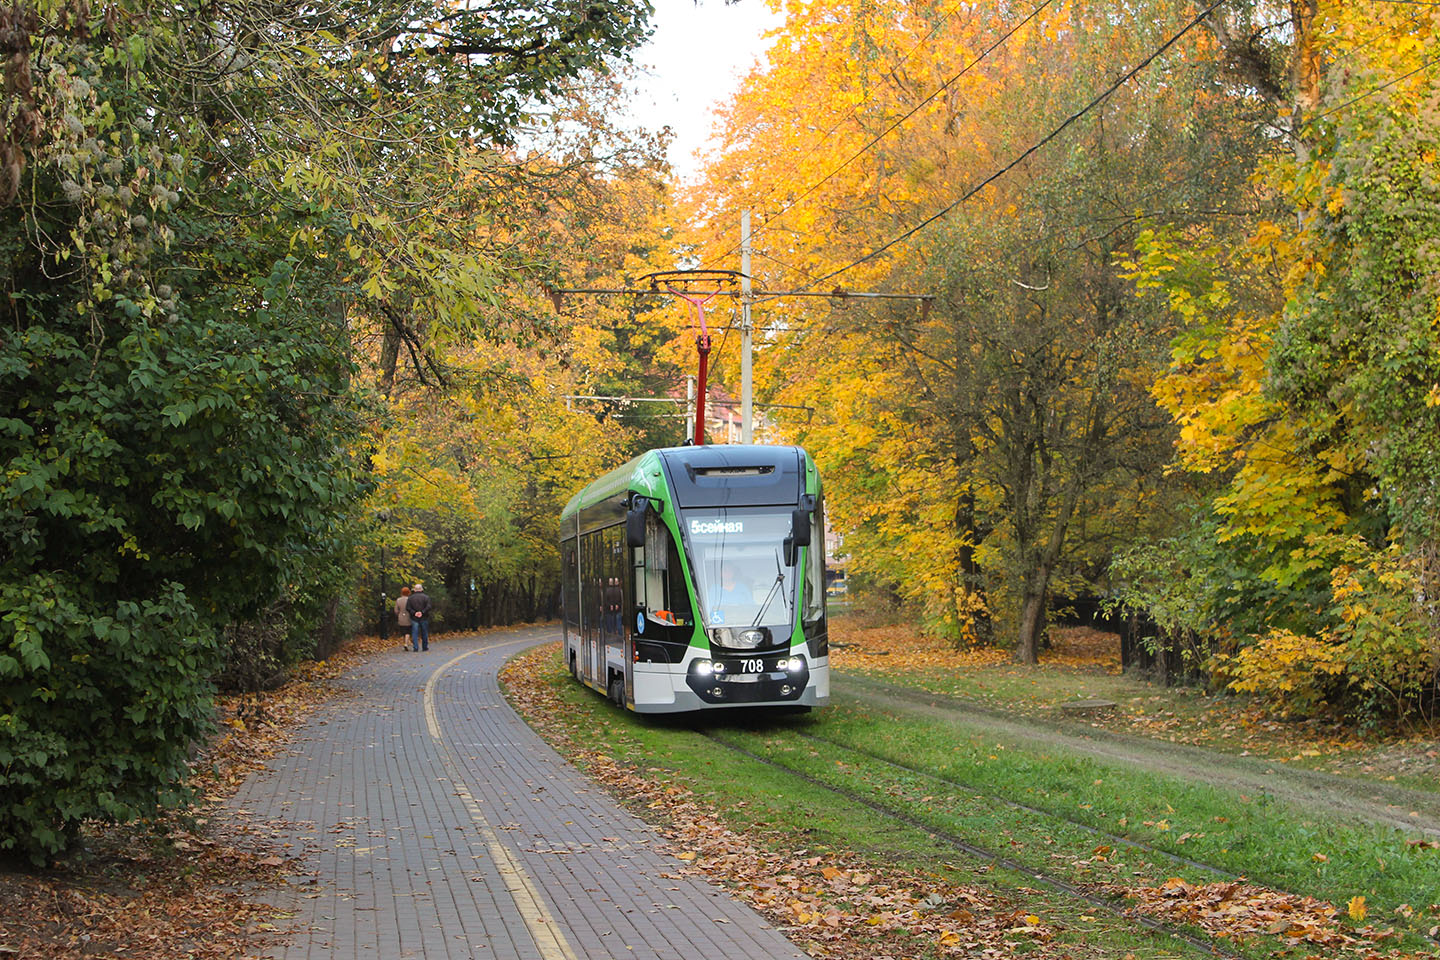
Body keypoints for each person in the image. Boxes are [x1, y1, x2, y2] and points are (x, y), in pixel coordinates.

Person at [406, 582, 432, 651]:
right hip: (424, 617)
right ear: (422, 589)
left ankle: (415, 647)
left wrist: (414, 613)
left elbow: (408, 608)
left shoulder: (410, 598)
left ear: (414, 590)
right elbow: (429, 607)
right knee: (424, 632)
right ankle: (425, 647)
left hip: (414, 618)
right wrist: (422, 612)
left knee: (414, 633)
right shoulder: (426, 597)